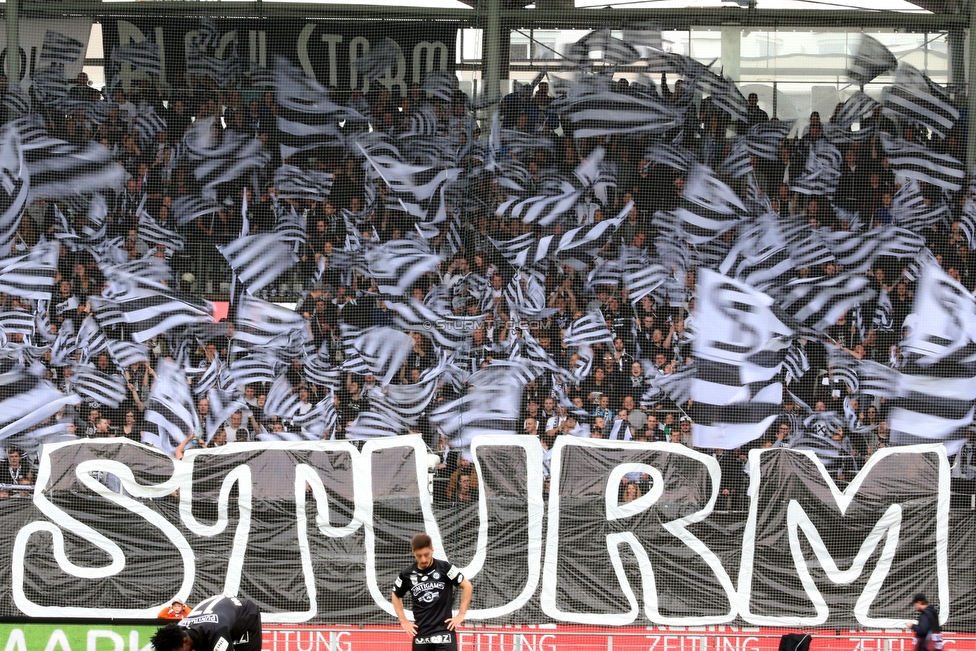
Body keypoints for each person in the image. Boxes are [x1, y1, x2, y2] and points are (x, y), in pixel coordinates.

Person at [392, 532, 473, 651]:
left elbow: (467, 586)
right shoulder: (407, 574)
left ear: (432, 550)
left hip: (445, 634)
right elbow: (395, 595)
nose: (423, 559)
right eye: (419, 556)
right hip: (421, 635)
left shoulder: (445, 568)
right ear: (413, 553)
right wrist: (403, 621)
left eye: (426, 554)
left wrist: (461, 614)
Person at [150, 594, 262, 651]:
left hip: (245, 616)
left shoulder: (217, 631)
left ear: (185, 642)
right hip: (221, 615)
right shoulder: (179, 630)